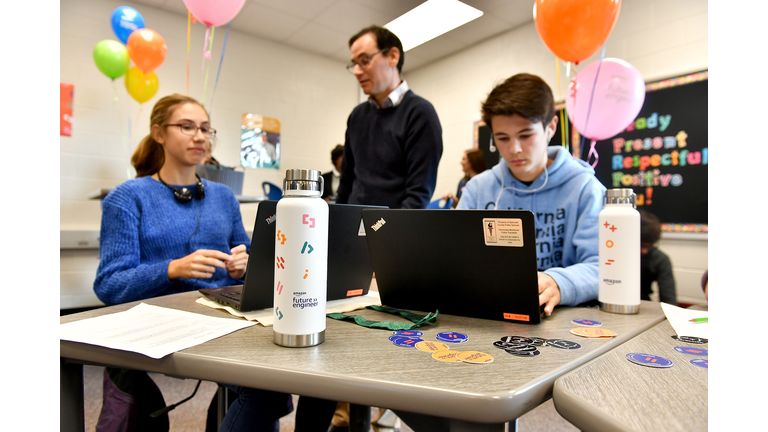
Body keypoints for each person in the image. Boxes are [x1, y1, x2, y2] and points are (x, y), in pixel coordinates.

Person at [93, 94, 334, 432]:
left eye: (206, 129)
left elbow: (252, 256)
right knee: (265, 387)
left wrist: (245, 264)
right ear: (159, 133)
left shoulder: (222, 195)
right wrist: (172, 268)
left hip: (223, 315)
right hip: (163, 318)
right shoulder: (127, 197)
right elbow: (109, 284)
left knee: (295, 369)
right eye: (187, 127)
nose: (200, 136)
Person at [456, 73, 605, 317]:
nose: (514, 149)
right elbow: (455, 258)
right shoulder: (478, 188)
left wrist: (559, 282)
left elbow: (604, 267)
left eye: (526, 135)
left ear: (550, 128)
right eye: (502, 138)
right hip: (489, 314)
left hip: (562, 318)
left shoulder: (585, 188)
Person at [335, 25, 443, 209]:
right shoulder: (357, 116)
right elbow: (346, 184)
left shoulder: (420, 113)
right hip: (352, 225)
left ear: (393, 56)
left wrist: (388, 234)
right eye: (354, 64)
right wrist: (337, 224)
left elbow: (418, 195)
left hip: (392, 230)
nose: (357, 71)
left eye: (364, 60)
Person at [640, 210, 677, 305]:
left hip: (643, 305)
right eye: (641, 245)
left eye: (649, 246)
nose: (644, 251)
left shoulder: (660, 259)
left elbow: (669, 301)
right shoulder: (612, 255)